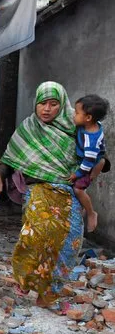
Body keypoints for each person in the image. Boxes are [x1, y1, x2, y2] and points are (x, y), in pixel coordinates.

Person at [0, 82, 109, 308]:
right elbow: (10, 159)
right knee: (35, 236)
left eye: (54, 104)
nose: (47, 109)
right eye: (42, 103)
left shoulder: (78, 126)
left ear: (62, 105)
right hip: (39, 189)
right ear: (36, 104)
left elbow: (100, 156)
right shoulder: (28, 128)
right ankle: (26, 280)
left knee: (69, 242)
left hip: (69, 191)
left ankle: (49, 293)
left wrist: (90, 174)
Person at [68, 95, 109, 233]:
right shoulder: (88, 125)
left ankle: (91, 212)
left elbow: (88, 162)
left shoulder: (91, 140)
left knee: (78, 189)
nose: (74, 115)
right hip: (93, 159)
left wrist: (76, 174)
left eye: (77, 113)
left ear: (88, 118)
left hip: (89, 163)